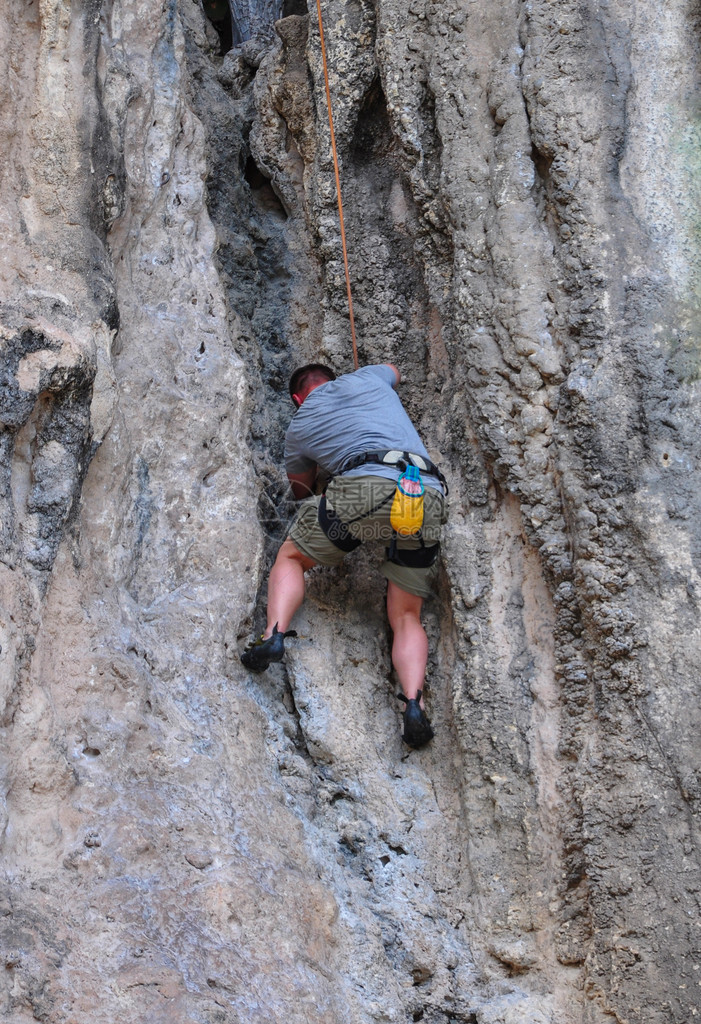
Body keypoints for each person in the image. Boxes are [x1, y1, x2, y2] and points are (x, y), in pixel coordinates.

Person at [240, 362, 448, 748]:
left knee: (292, 559)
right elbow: (395, 370)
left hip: (363, 489)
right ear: (335, 379)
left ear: (297, 399)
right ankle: (414, 704)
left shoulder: (300, 425)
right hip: (424, 493)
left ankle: (273, 635)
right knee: (406, 614)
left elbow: (301, 492)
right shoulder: (369, 376)